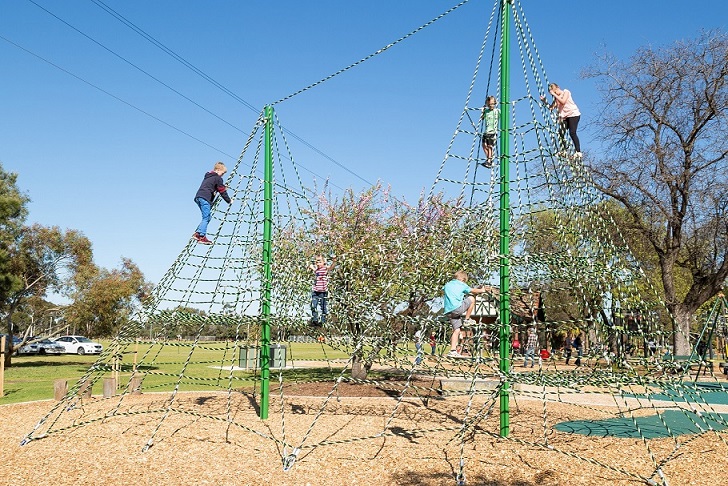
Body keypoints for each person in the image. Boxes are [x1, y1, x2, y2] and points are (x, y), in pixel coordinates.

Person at [443, 270, 486, 357]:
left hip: (448, 312)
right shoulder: (462, 285)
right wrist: (482, 290)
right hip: (457, 309)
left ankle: (452, 350)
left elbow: (449, 290)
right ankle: (467, 319)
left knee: (457, 330)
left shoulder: (447, 284)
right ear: (463, 279)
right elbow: (473, 291)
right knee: (472, 298)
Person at [193, 162, 233, 244]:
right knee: (206, 218)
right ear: (218, 170)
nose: (222, 175)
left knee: (207, 217)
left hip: (199, 197)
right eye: (222, 173)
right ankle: (202, 236)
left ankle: (198, 233)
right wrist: (229, 200)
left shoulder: (208, 177)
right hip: (205, 198)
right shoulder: (218, 178)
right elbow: (222, 191)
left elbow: (213, 187)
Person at [540, 83, 582, 158]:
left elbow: (563, 101)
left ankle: (578, 152)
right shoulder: (556, 99)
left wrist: (555, 95)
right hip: (565, 117)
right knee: (560, 132)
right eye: (553, 92)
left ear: (558, 87)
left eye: (555, 91)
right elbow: (551, 108)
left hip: (573, 114)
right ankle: (564, 150)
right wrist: (544, 101)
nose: (555, 93)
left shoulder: (566, 92)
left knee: (572, 132)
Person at [309, 254, 335, 327]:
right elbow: (311, 267)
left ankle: (323, 321)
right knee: (313, 305)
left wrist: (334, 261)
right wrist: (310, 266)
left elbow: (331, 267)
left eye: (319, 261)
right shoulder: (316, 270)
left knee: (323, 307)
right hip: (315, 291)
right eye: (316, 262)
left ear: (324, 262)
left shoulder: (325, 269)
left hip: (323, 292)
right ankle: (315, 319)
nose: (317, 263)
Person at [480, 96, 499, 167]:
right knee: (484, 145)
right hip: (486, 131)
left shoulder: (497, 111)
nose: (491, 105)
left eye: (492, 104)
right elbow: (482, 118)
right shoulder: (486, 111)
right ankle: (489, 159)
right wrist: (483, 111)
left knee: (490, 146)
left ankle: (489, 160)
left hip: (493, 131)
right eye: (490, 104)